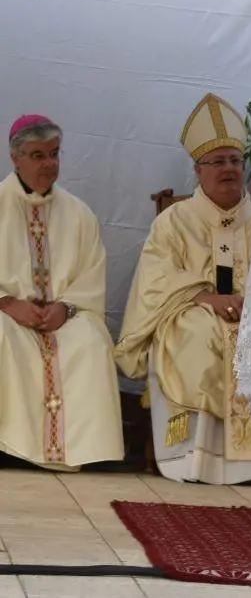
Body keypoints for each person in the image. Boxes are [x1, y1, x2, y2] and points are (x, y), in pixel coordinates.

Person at [116, 94, 251, 484]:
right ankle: (195, 458)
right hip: (191, 314)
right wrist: (203, 298)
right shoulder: (174, 221)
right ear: (198, 170)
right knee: (200, 335)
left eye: (235, 161)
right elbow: (155, 282)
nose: (228, 169)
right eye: (217, 161)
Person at [0, 116, 123, 470]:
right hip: (10, 315)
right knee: (2, 335)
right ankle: (10, 446)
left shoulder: (79, 214)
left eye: (54, 153)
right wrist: (9, 303)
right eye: (38, 155)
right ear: (16, 158)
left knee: (91, 338)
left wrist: (66, 308)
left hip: (61, 318)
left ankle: (87, 451)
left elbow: (91, 273)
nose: (49, 164)